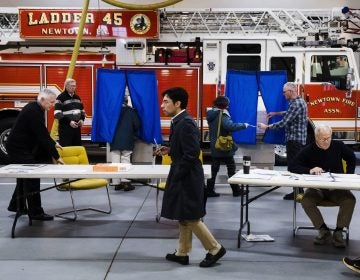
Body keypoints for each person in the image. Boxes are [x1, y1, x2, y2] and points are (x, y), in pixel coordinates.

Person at [155, 87, 226, 268]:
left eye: (166, 101)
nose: (162, 105)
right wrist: (170, 150)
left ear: (177, 104)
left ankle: (215, 248)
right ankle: (182, 252)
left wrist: (178, 174)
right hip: (184, 172)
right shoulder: (179, 121)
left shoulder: (185, 123)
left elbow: (192, 153)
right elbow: (184, 148)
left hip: (186, 175)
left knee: (191, 215)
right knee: (183, 214)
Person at [289, 125, 356, 248]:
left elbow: (352, 158)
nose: (326, 142)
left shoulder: (338, 145)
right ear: (316, 138)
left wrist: (348, 176)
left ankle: (339, 231)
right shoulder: (309, 149)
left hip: (337, 188)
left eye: (328, 138)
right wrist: (310, 170)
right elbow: (292, 166)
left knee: (350, 200)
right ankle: (323, 230)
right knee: (306, 200)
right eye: (322, 139)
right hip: (317, 188)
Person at [7, 88, 64, 220]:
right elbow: (42, 136)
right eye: (51, 102)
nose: (53, 105)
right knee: (32, 178)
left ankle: (16, 205)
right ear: (42, 100)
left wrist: (53, 143)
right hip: (18, 148)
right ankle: (36, 213)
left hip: (21, 146)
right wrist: (57, 156)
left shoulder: (36, 108)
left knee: (23, 177)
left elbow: (40, 133)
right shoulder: (34, 111)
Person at [258, 82, 308, 200]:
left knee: (294, 167)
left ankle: (298, 192)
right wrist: (276, 113)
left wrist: (267, 127)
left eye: (284, 92)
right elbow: (289, 113)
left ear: (291, 91)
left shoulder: (295, 104)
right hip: (297, 139)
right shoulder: (299, 102)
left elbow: (284, 122)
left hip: (295, 140)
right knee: (294, 166)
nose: (283, 94)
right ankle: (297, 191)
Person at [206, 96, 249, 197]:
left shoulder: (211, 113)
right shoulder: (222, 115)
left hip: (215, 145)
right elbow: (229, 126)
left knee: (214, 170)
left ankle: (209, 190)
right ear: (224, 105)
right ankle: (236, 190)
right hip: (224, 147)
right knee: (231, 169)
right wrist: (243, 125)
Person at [109, 95, 140, 191]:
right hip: (127, 138)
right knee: (125, 160)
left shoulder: (112, 111)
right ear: (127, 101)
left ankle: (116, 183)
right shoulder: (131, 111)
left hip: (114, 139)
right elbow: (137, 124)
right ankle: (125, 182)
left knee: (115, 161)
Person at [54, 78, 85, 146]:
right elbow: (57, 114)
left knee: (76, 149)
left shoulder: (78, 98)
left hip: (76, 130)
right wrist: (69, 122)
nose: (74, 87)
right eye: (72, 86)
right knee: (66, 150)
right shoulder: (60, 98)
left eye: (74, 86)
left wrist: (82, 120)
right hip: (65, 130)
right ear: (66, 86)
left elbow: (82, 112)